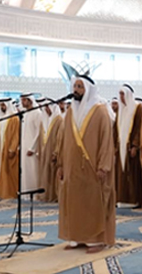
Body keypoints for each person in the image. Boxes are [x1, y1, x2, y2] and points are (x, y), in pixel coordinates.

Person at [58, 75, 115, 253]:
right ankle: (77, 237)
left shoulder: (100, 111)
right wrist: (61, 164)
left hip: (93, 168)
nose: (76, 90)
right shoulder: (70, 112)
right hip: (72, 167)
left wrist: (103, 166)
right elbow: (63, 140)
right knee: (74, 201)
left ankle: (96, 240)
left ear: (88, 89)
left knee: (93, 203)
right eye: (75, 86)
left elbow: (106, 141)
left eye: (80, 87)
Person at [115, 83, 142, 207]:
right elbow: (115, 130)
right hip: (121, 147)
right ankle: (122, 199)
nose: (121, 97)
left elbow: (139, 128)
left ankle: (134, 200)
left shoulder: (138, 108)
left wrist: (135, 146)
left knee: (132, 173)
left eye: (123, 94)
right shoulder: (120, 110)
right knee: (121, 172)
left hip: (131, 147)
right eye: (120, 94)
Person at [0, 98, 20, 199]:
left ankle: (9, 193)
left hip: (8, 150)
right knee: (0, 171)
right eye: (1, 105)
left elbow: (16, 136)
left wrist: (12, 149)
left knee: (9, 172)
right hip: (0, 150)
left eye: (4, 105)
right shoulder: (0, 118)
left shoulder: (14, 119)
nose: (2, 107)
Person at [39, 101, 64, 202]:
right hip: (46, 151)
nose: (46, 109)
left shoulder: (59, 120)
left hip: (53, 151)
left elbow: (60, 139)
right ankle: (46, 195)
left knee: (52, 174)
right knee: (46, 174)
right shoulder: (46, 119)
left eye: (48, 107)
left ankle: (53, 196)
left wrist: (56, 152)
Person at [20, 93, 43, 193]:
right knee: (25, 172)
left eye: (24, 100)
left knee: (32, 171)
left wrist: (32, 148)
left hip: (32, 149)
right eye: (22, 100)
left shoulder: (37, 113)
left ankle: (34, 193)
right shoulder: (25, 114)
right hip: (24, 147)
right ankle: (25, 192)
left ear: (30, 101)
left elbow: (39, 132)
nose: (22, 102)